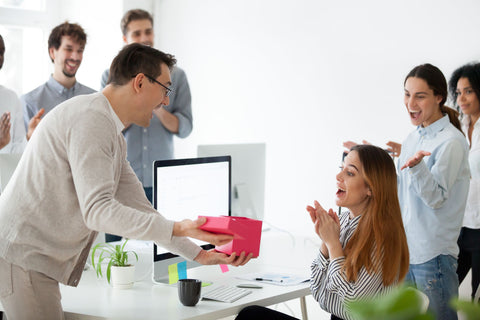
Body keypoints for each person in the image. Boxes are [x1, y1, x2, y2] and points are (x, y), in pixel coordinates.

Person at [0, 43, 252, 320]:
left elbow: (143, 210)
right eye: (166, 89)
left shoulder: (109, 131)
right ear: (141, 82)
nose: (167, 101)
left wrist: (200, 255)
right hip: (22, 258)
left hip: (31, 259)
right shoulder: (92, 120)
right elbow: (98, 212)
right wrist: (179, 228)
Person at [236, 145, 409, 320]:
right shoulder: (343, 223)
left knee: (251, 317)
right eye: (341, 169)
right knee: (251, 315)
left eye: (349, 173)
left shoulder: (383, 235)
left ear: (371, 188)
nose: (338, 176)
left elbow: (357, 308)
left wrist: (333, 244)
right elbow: (320, 295)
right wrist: (326, 243)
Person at [101, 9, 193, 242]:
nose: (144, 38)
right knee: (118, 255)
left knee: (162, 250)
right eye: (137, 33)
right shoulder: (111, 76)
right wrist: (139, 101)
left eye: (148, 31)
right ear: (125, 39)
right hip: (120, 183)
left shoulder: (177, 76)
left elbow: (185, 127)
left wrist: (155, 99)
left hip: (162, 183)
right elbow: (108, 125)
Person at [398, 63, 470, 319]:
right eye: (407, 94)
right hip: (408, 251)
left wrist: (418, 168)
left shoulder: (451, 142)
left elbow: (436, 198)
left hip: (434, 255)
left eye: (420, 95)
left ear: (438, 97)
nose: (410, 103)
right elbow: (401, 194)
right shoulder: (413, 138)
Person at [21, 21, 95, 131]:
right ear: (52, 52)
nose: (75, 57)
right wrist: (29, 137)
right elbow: (20, 147)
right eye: (68, 49)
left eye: (80, 50)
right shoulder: (30, 102)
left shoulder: (94, 98)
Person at [448, 62, 480, 301]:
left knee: (477, 300)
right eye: (458, 92)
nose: (462, 98)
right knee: (442, 292)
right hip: (461, 225)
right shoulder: (459, 127)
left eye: (468, 91)